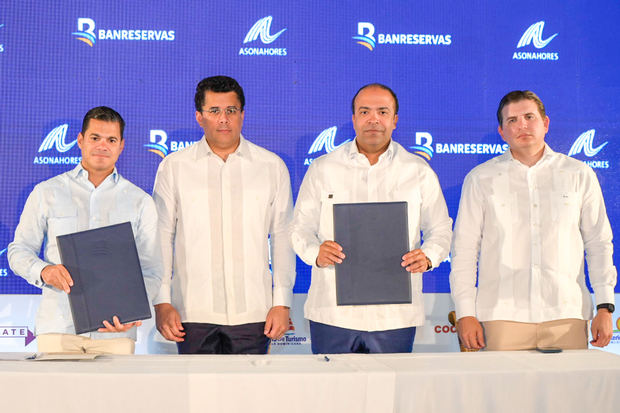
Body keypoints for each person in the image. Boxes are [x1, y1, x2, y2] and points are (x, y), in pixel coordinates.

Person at [290, 83, 452, 353]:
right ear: (353, 118)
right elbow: (299, 228)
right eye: (364, 111)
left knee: (389, 395)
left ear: (395, 120)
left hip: (394, 316)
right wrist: (315, 252)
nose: (373, 119)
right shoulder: (323, 168)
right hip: (332, 313)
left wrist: (428, 256)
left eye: (382, 111)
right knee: (332, 394)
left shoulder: (418, 171)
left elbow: (441, 228)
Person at [450, 90, 616, 351]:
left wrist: (605, 306)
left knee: (570, 393)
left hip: (566, 314)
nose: (522, 125)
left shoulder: (578, 174)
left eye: (529, 117)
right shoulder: (481, 179)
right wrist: (465, 313)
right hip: (501, 316)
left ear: (545, 123)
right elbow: (464, 250)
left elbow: (598, 243)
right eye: (512, 120)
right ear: (502, 132)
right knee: (502, 393)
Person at [152, 75, 295, 354]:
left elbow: (282, 236)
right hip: (191, 312)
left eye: (231, 111)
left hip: (254, 312)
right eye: (214, 111)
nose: (223, 119)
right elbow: (160, 237)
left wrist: (282, 301)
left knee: (248, 397)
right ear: (199, 116)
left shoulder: (271, 167)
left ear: (242, 114)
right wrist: (162, 301)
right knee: (197, 398)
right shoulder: (174, 167)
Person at [8, 106, 162, 354]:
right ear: (80, 141)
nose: (103, 145)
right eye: (95, 138)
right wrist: (44, 270)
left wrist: (131, 309)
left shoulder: (140, 201)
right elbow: (18, 250)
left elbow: (153, 270)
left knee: (116, 396)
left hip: (116, 332)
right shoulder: (47, 192)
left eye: (111, 140)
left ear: (121, 145)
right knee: (53, 395)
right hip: (58, 329)